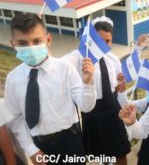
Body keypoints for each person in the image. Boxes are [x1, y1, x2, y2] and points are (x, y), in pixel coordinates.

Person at [5, 13, 96, 165]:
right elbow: (15, 118)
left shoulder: (65, 69)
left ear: (48, 39)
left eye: (36, 41)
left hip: (70, 141)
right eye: (22, 43)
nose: (31, 48)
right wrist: (31, 149)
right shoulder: (13, 80)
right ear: (13, 44)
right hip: (40, 145)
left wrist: (88, 84)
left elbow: (86, 107)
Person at [62, 16, 130, 165]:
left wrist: (122, 89)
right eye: (99, 41)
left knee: (120, 153)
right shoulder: (80, 57)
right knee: (101, 156)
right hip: (92, 113)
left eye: (108, 41)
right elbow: (59, 64)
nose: (103, 45)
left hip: (113, 112)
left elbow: (118, 87)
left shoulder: (113, 59)